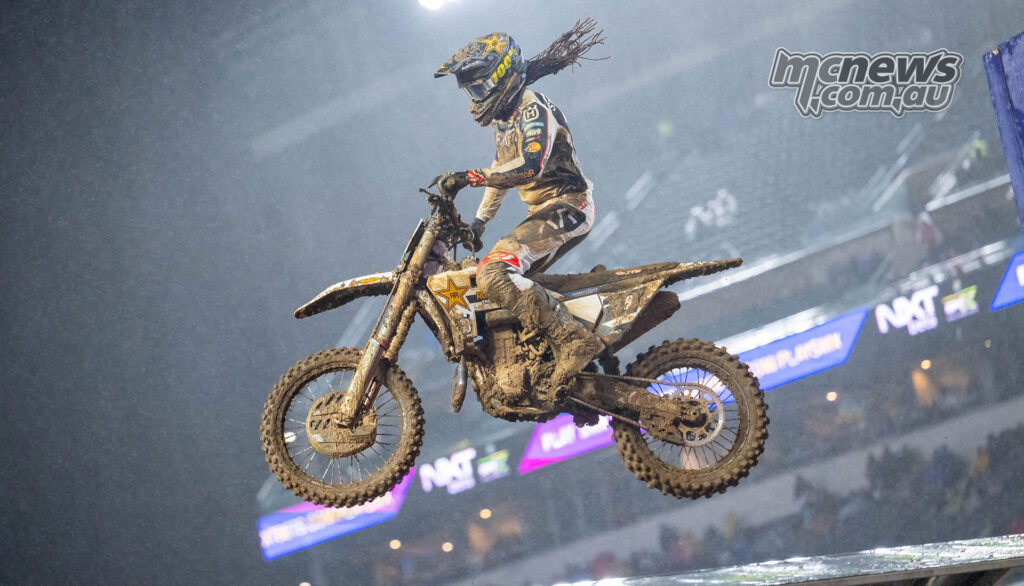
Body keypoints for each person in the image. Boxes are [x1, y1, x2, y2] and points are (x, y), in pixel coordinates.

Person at [432, 19, 607, 395]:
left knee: (494, 272)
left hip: (569, 205)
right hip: (544, 211)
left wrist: (468, 177)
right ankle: (548, 364)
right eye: (472, 89)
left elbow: (528, 165)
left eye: (480, 86)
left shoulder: (532, 109)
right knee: (490, 283)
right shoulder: (504, 118)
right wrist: (479, 221)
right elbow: (500, 170)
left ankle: (575, 341)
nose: (476, 96)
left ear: (503, 76)